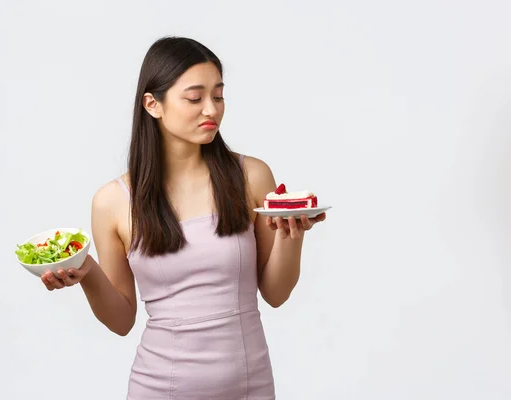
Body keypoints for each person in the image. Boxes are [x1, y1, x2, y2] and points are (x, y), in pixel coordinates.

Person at [39, 36, 327, 399]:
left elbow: (276, 293)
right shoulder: (113, 202)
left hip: (251, 387)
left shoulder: (251, 176)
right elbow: (121, 320)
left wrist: (292, 233)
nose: (212, 110)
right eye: (195, 98)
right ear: (153, 104)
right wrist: (86, 272)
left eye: (218, 96)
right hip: (161, 389)